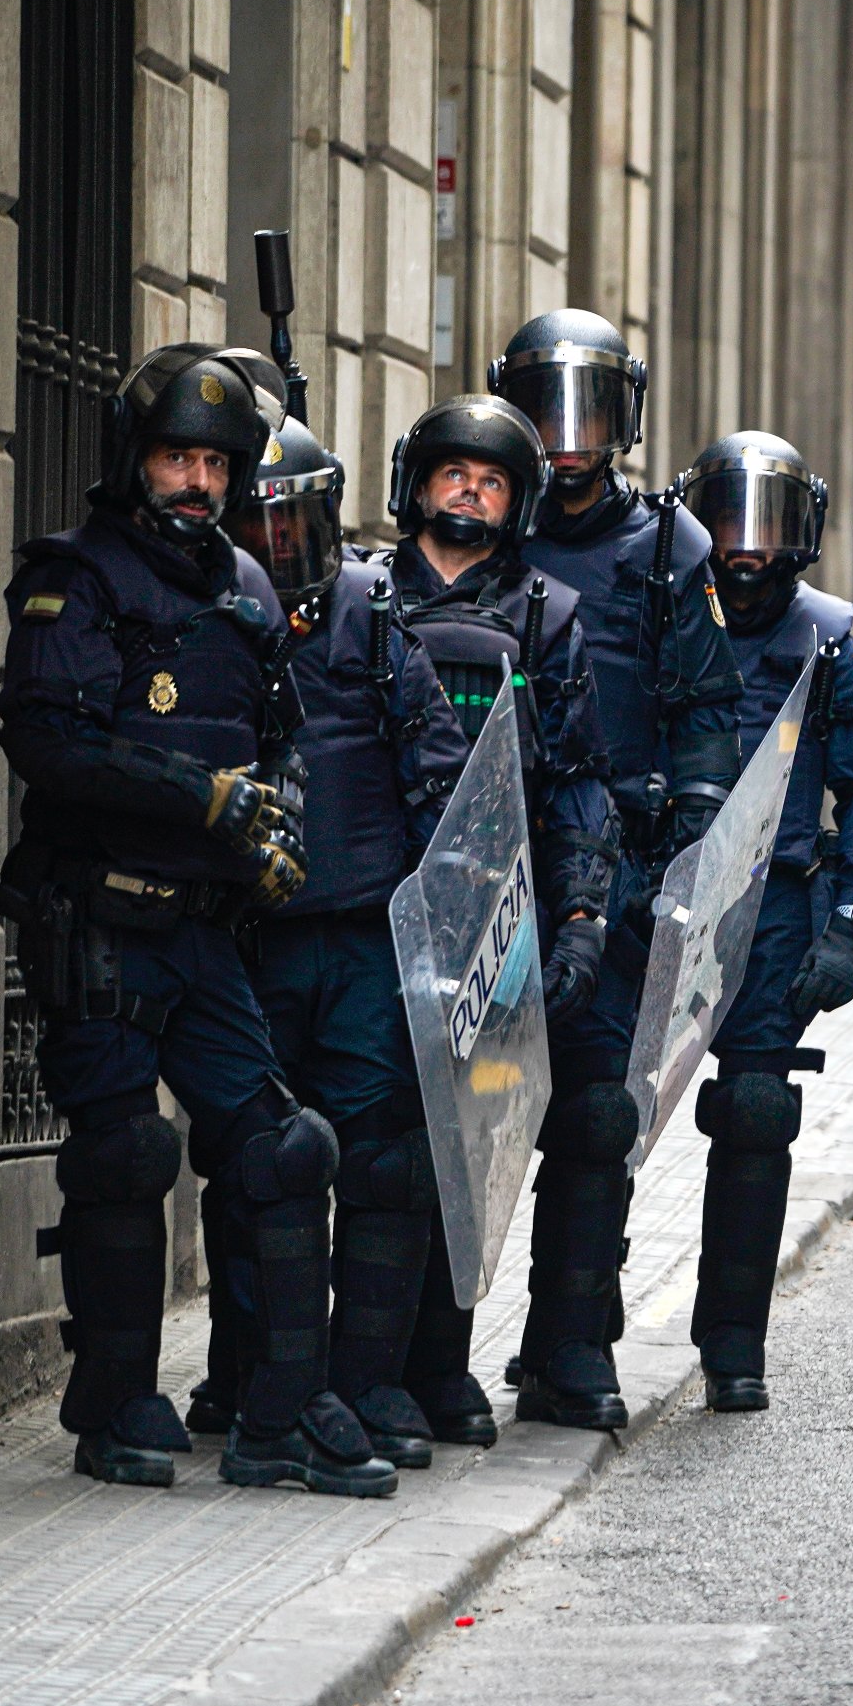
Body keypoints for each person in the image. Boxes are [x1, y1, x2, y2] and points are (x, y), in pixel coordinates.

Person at [0, 343, 400, 1499]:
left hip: (206, 932)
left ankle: (281, 1413)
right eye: (178, 457)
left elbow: (283, 733)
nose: (198, 483)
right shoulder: (76, 577)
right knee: (127, 1155)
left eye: (216, 465)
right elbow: (47, 743)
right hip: (102, 924)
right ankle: (115, 1401)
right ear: (137, 459)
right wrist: (200, 798)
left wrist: (278, 828)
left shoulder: (244, 581)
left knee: (282, 1146)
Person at [194, 416, 476, 1471]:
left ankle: (367, 1385)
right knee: (259, 1164)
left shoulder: (370, 610)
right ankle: (254, 1380)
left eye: (293, 520)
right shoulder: (209, 612)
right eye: (255, 526)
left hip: (363, 933)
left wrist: (454, 903)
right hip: (252, 938)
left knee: (387, 1164)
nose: (278, 545)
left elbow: (438, 762)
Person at [483, 310, 744, 1430]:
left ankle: (568, 1342)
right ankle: (421, 1352)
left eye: (591, 408)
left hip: (620, 871)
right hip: (490, 858)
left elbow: (705, 712)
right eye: (548, 407)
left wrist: (690, 842)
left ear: (627, 417)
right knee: (449, 1117)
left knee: (595, 1115)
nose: (570, 437)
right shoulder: (487, 518)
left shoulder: (669, 548)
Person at [378, 394, 623, 1440]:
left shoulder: (548, 616)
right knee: (373, 1150)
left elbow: (576, 783)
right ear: (417, 485)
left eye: (493, 479)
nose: (471, 490)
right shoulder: (362, 597)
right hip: (377, 909)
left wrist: (578, 915)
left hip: (493, 909)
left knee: (466, 1152)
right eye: (454, 473)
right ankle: (340, 1375)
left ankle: (441, 1366)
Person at [673, 432, 853, 1409]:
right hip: (658, 899)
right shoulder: (662, 620)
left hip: (775, 909)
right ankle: (573, 1335)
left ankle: (732, 1346)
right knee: (594, 1114)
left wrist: (846, 921)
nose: (746, 545)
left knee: (759, 1110)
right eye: (729, 518)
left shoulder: (826, 638)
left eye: (768, 523)